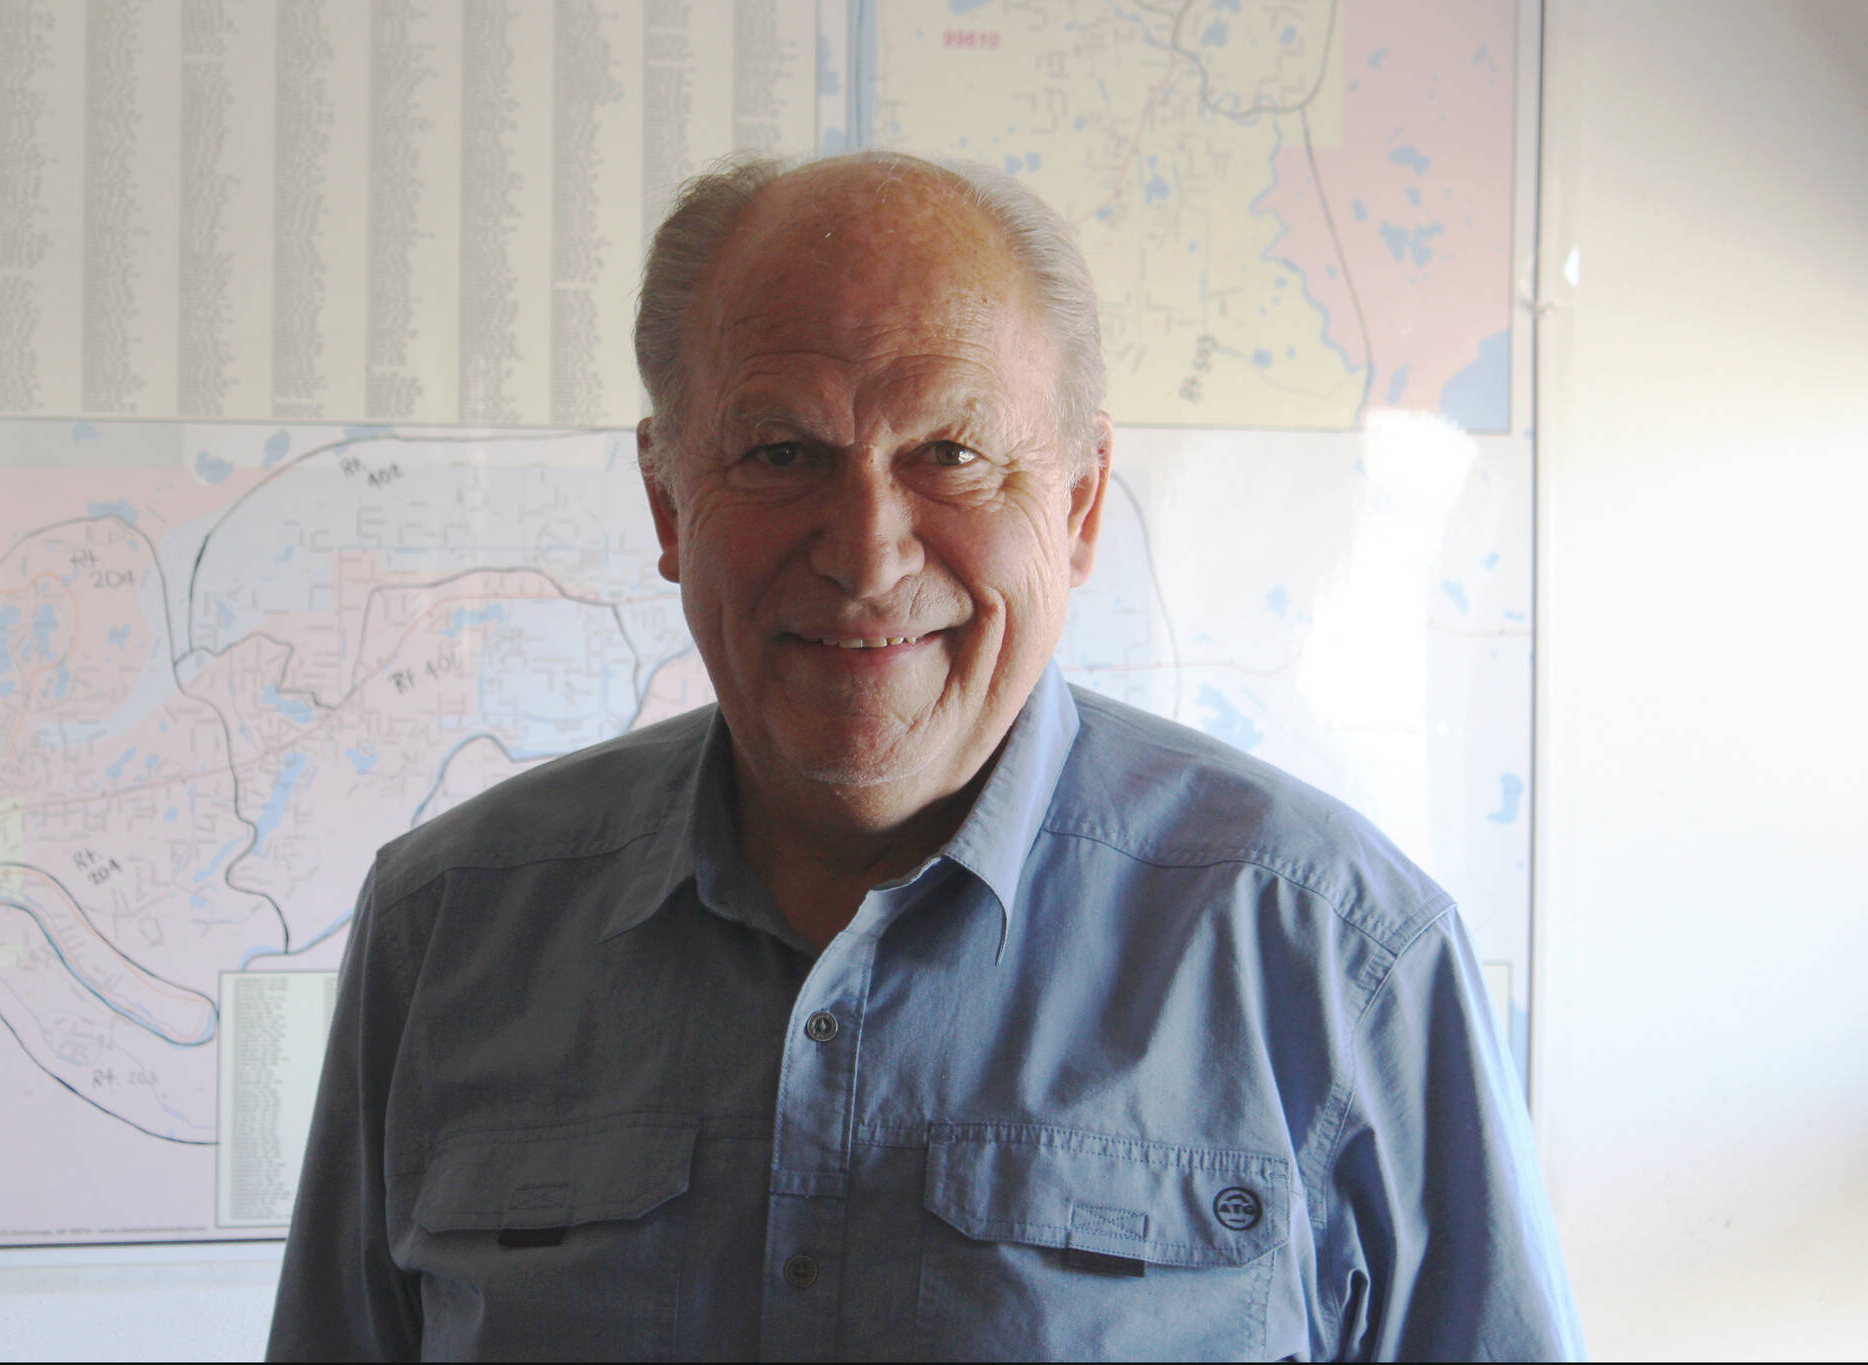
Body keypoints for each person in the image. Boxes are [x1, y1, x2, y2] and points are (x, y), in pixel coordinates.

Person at [267, 151, 1585, 1361]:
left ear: (1075, 506)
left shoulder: (1340, 957)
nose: (866, 550)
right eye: (783, 452)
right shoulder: (445, 929)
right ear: (669, 499)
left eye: (950, 454)